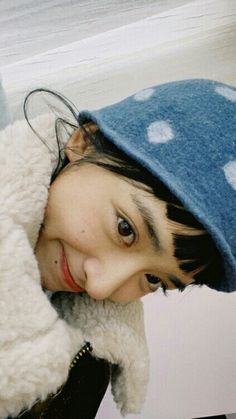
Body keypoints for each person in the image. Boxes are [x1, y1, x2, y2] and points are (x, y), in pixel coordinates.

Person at [0, 78, 235, 418]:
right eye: (125, 228)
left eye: (154, 279)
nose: (101, 287)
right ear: (84, 141)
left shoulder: (88, 351)